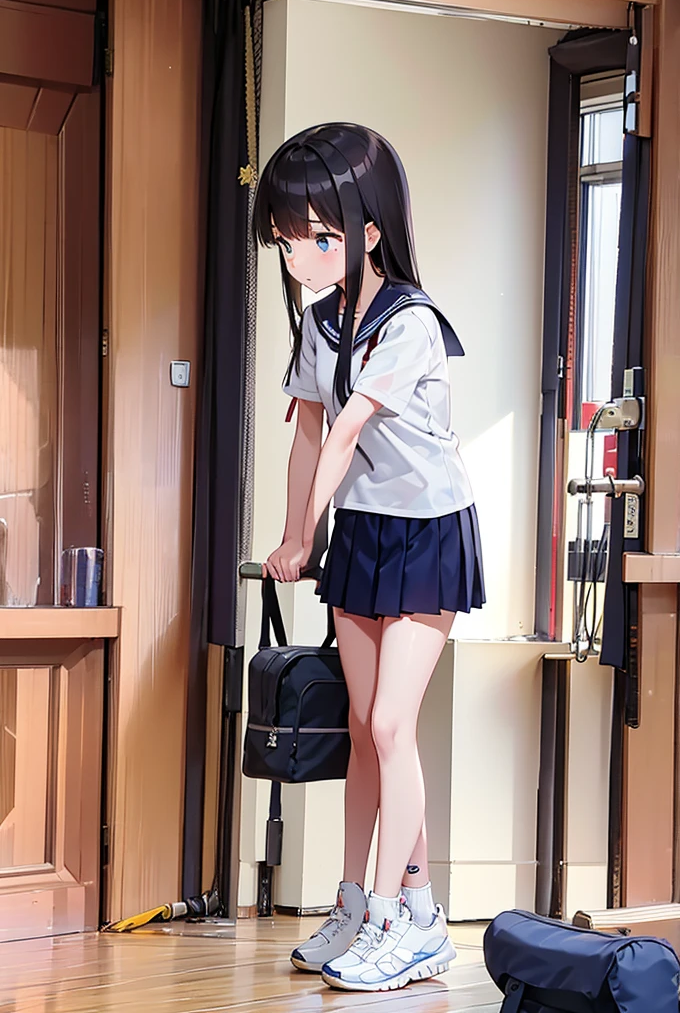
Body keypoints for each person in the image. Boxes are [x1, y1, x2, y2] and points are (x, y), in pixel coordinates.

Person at [253, 123, 485, 993]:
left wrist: (308, 535)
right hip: (363, 532)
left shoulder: (413, 322)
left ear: (367, 232)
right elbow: (309, 430)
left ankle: (403, 919)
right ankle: (364, 901)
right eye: (285, 238)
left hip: (427, 530)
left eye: (315, 237)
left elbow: (349, 429)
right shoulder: (319, 325)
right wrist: (293, 535)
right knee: (363, 730)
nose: (296, 255)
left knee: (392, 726)